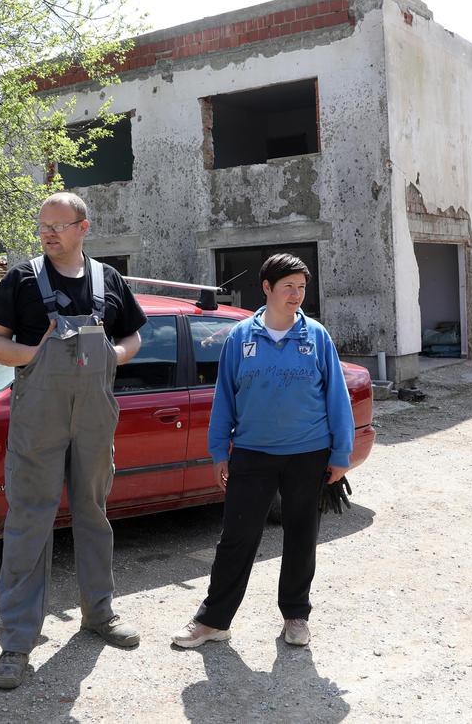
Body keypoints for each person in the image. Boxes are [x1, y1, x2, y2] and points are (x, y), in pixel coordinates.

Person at [0, 191, 146, 690]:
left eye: (59, 225)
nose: (48, 233)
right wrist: (31, 354)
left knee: (94, 513)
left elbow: (135, 337)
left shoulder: (108, 280)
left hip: (95, 414)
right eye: (42, 225)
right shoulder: (23, 279)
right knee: (30, 520)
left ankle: (99, 614)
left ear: (83, 227)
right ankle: (16, 642)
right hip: (39, 416)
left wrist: (112, 354)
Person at [171, 252, 354, 649]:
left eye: (302, 287)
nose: (296, 295)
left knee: (302, 536)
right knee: (237, 537)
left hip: (309, 453)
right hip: (252, 452)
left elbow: (337, 398)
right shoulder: (240, 337)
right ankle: (214, 621)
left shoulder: (316, 336)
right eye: (288, 286)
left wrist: (342, 454)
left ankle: (296, 616)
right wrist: (220, 450)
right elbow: (225, 399)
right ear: (267, 288)